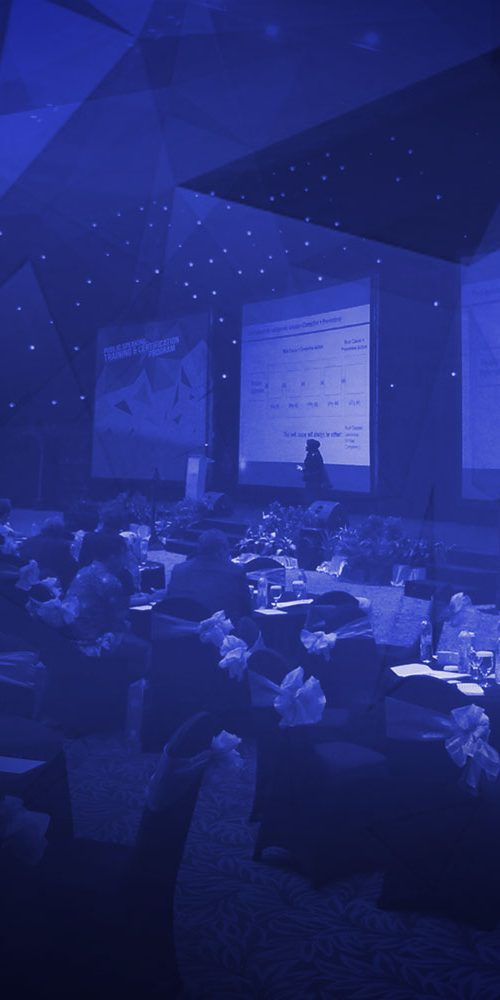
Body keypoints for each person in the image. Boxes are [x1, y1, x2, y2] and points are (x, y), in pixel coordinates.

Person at [166, 529, 252, 624]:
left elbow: (169, 601)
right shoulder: (235, 572)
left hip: (181, 628)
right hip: (219, 630)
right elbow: (247, 610)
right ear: (223, 550)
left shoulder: (178, 569)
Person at [19, 516, 77, 589]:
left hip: (30, 582)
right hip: (55, 583)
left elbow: (22, 561)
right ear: (61, 530)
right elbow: (71, 567)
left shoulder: (29, 541)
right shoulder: (66, 546)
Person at [300, 439, 328, 504]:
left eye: (308, 445)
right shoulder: (311, 454)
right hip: (311, 480)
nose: (306, 447)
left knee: (312, 498)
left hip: (314, 480)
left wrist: (304, 471)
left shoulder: (315, 455)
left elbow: (316, 469)